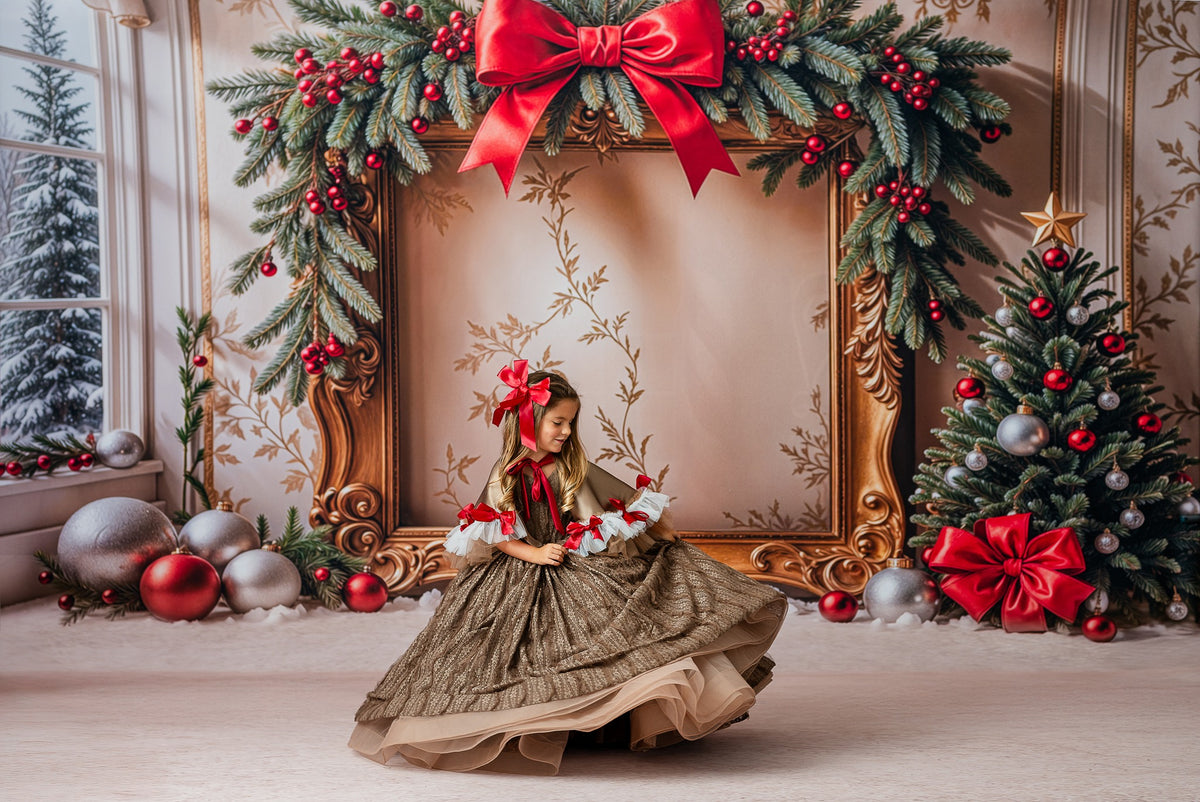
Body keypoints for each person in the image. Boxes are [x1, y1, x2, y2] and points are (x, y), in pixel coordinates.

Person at [349, 360, 788, 774]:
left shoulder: (571, 467)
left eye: (570, 422)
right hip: (519, 570)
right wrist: (535, 553)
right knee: (504, 652)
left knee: (623, 621)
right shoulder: (506, 475)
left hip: (574, 560)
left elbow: (617, 508)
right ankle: (530, 721)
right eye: (557, 422)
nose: (565, 431)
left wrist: (659, 538)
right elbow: (497, 532)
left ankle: (609, 719)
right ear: (528, 422)